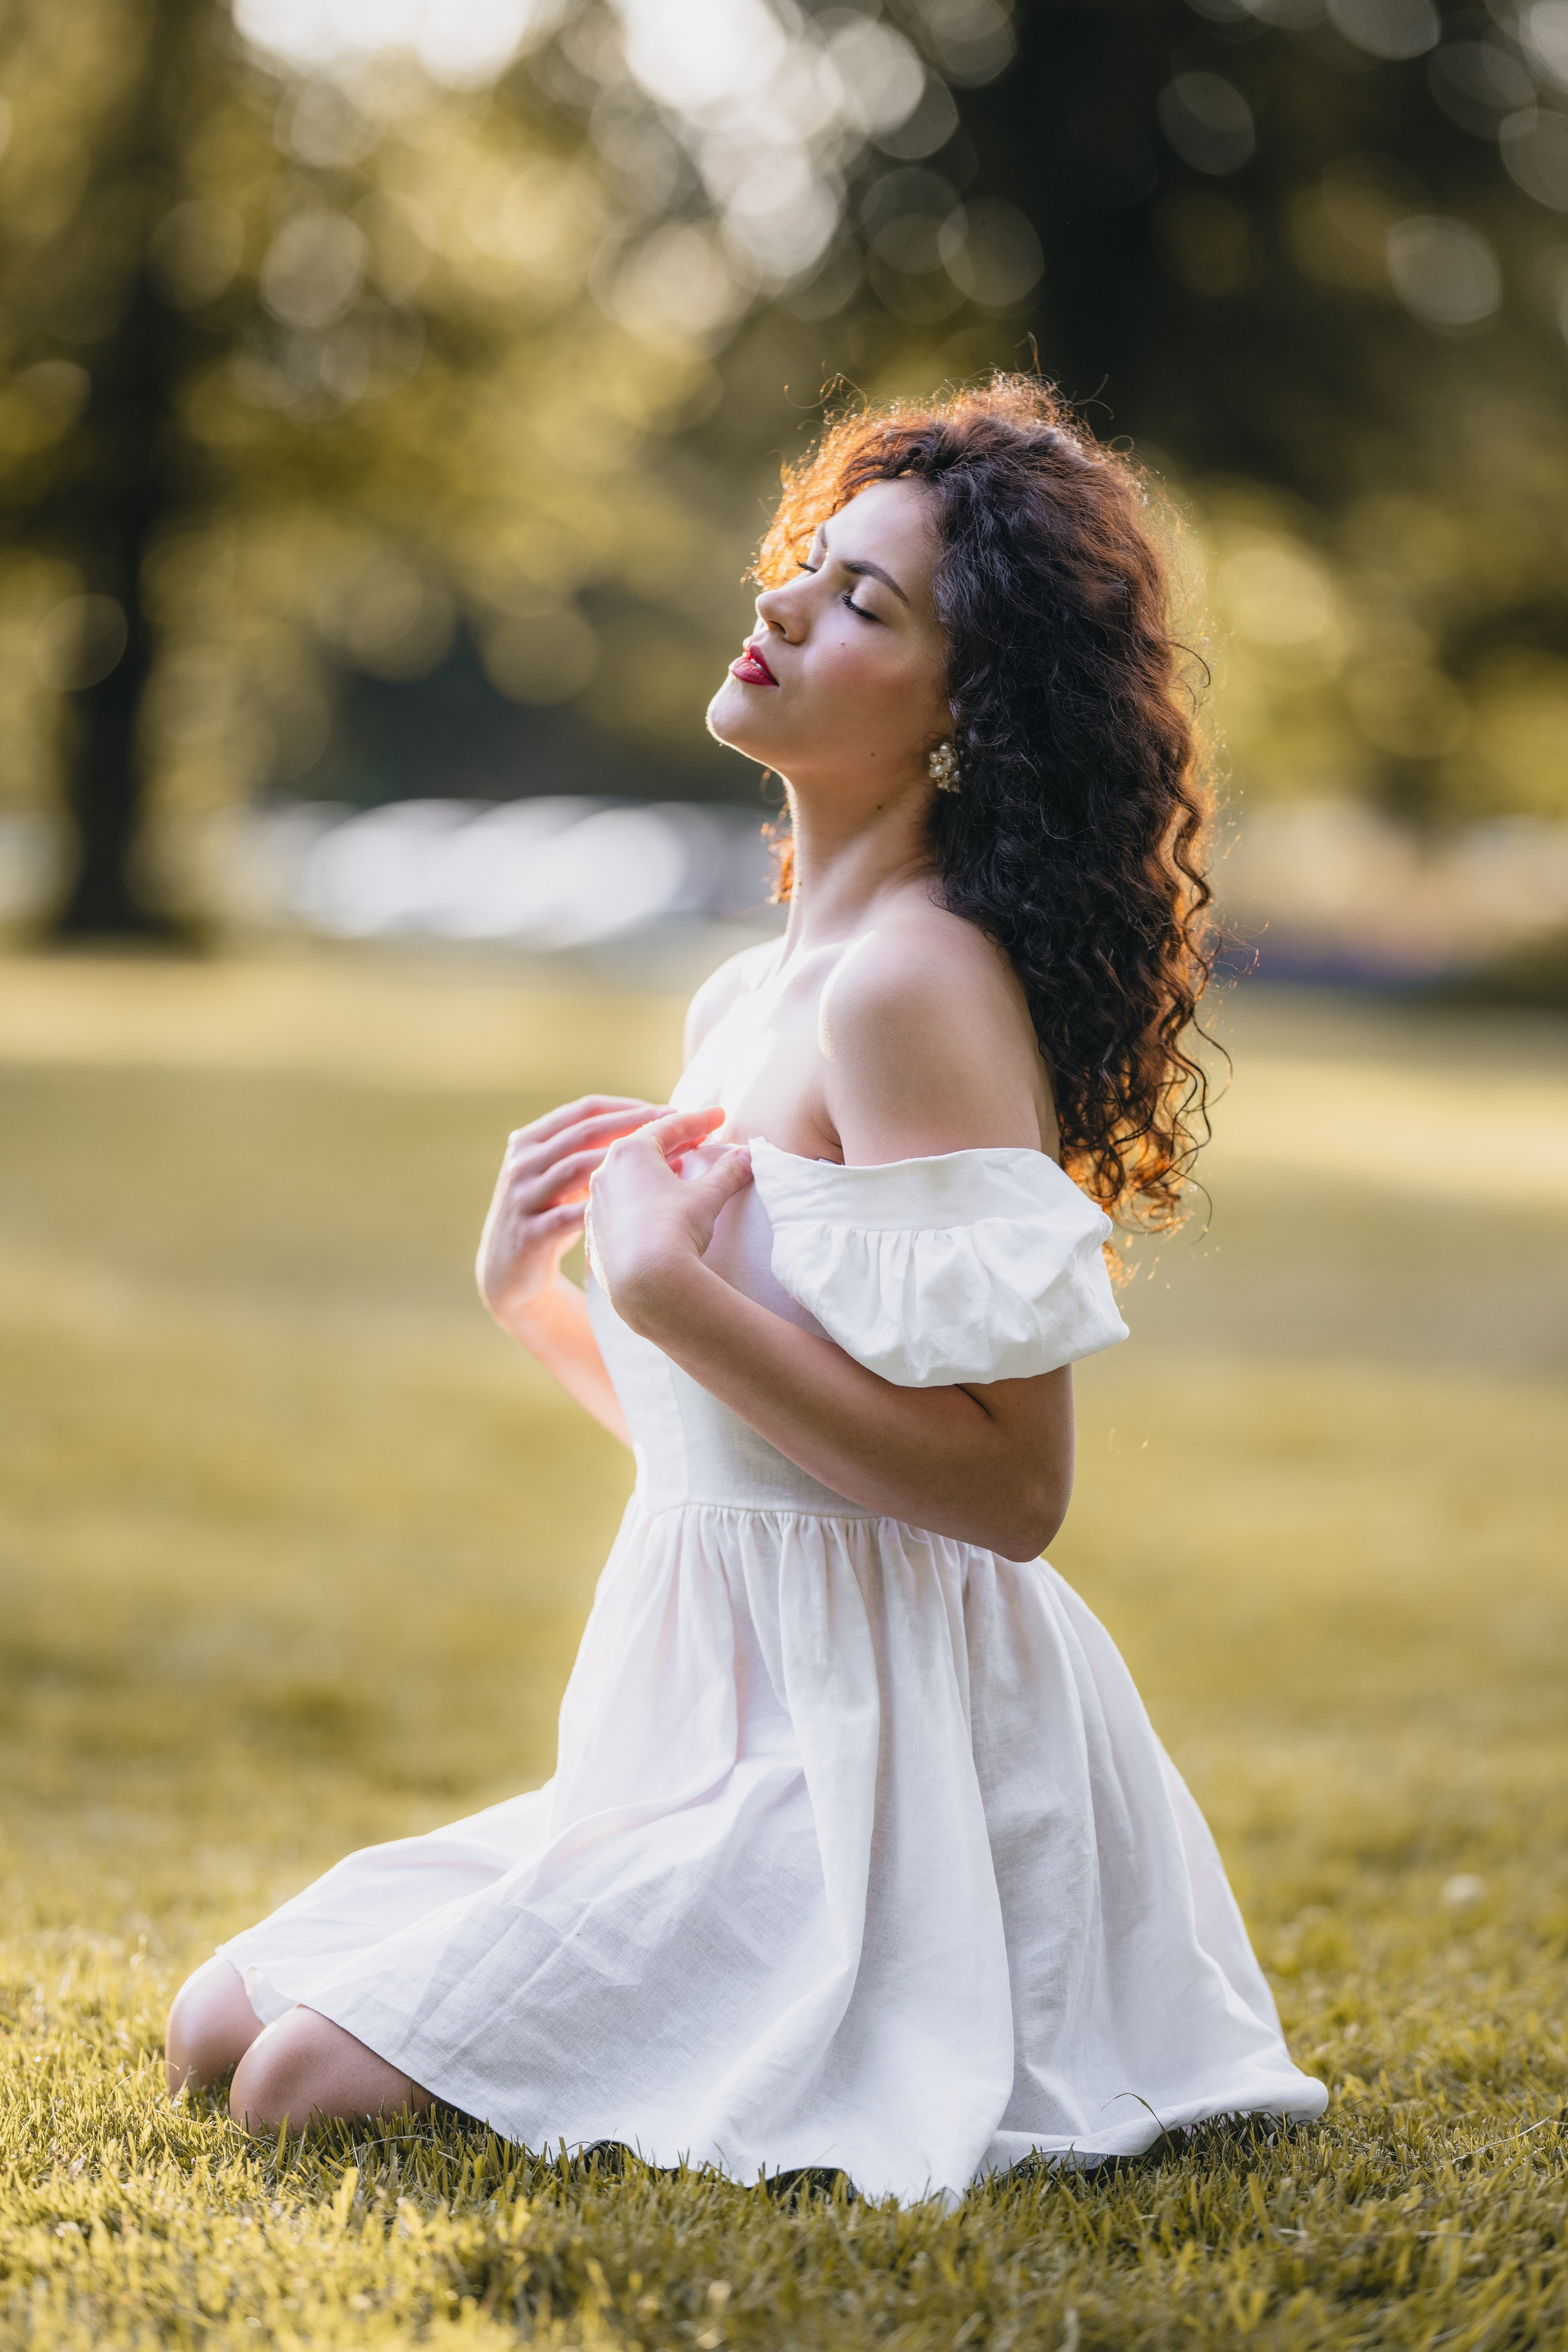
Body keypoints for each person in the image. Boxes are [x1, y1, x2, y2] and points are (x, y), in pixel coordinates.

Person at [165, 378, 1327, 2199]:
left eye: (869, 605)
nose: (784, 606)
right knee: (216, 2027)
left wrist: (679, 1299)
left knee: (299, 2084)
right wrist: (539, 1300)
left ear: (971, 714)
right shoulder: (750, 997)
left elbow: (1014, 1495)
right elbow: (747, 1467)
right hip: (715, 1723)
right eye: (811, 568)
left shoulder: (910, 989)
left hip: (885, 1766)